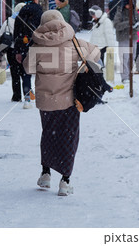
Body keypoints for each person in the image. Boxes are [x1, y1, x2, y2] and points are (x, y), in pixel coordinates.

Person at [23, 10, 100, 196]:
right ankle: (65, 181)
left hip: (46, 102)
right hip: (70, 101)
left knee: (48, 135)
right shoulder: (75, 43)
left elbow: (27, 67)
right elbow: (96, 53)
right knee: (69, 137)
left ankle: (45, 174)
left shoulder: (37, 46)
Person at [13, 0, 43, 109]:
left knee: (26, 73)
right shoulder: (40, 12)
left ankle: (27, 99)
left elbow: (16, 33)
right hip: (39, 45)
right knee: (43, 72)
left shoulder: (21, 12)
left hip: (24, 46)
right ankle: (42, 96)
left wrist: (18, 51)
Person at [0, 2, 26, 102]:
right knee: (25, 73)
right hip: (24, 50)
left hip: (11, 50)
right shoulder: (27, 21)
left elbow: (0, 36)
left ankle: (16, 96)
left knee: (15, 74)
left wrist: (0, 53)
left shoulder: (9, 21)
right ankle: (27, 94)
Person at [113, 0, 139, 83]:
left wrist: (136, 26)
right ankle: (125, 77)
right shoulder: (120, 12)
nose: (129, 6)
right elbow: (116, 25)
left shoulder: (135, 13)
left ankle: (130, 76)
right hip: (123, 38)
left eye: (131, 4)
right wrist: (128, 23)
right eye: (127, 4)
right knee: (124, 58)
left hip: (133, 38)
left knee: (131, 58)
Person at [88, 5, 115, 94]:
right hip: (95, 48)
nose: (92, 16)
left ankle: (101, 88)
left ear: (98, 13)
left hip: (102, 48)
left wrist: (111, 48)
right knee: (96, 69)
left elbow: (110, 36)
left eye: (93, 14)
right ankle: (100, 87)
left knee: (98, 70)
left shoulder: (106, 22)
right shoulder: (96, 21)